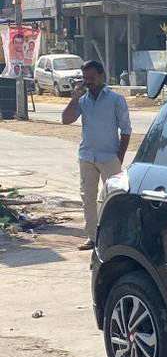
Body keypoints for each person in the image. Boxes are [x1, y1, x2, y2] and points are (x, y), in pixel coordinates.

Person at [61, 60, 131, 251]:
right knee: (88, 198)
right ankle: (93, 237)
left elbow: (126, 130)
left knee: (112, 198)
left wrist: (119, 158)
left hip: (109, 157)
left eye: (91, 78)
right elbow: (66, 120)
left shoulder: (116, 99)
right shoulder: (82, 100)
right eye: (85, 78)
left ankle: (114, 237)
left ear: (101, 76)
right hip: (87, 156)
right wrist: (74, 98)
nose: (88, 82)